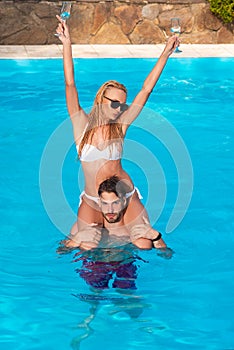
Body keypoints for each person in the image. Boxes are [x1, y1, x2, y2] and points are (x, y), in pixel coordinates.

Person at [55, 16, 179, 245]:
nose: (118, 108)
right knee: (87, 246)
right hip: (93, 199)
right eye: (113, 102)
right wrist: (66, 43)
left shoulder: (120, 126)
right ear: (101, 99)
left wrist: (165, 54)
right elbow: (70, 84)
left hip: (124, 196)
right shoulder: (81, 123)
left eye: (122, 104)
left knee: (144, 243)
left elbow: (146, 90)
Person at [61, 175, 168, 252]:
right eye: (105, 204)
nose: (110, 210)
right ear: (99, 203)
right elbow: (60, 252)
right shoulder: (86, 227)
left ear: (124, 202)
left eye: (115, 203)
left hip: (126, 266)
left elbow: (167, 255)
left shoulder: (130, 228)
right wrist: (76, 240)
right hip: (96, 267)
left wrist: (156, 237)